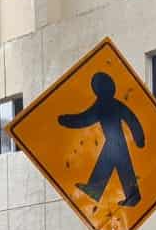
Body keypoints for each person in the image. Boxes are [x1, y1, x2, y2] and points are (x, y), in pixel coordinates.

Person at [58, 72, 146, 206]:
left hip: (115, 141)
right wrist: (139, 138)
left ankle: (103, 190)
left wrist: (66, 120)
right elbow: (131, 119)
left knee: (120, 167)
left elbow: (84, 119)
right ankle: (100, 190)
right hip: (116, 141)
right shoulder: (114, 104)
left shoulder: (101, 105)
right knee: (119, 166)